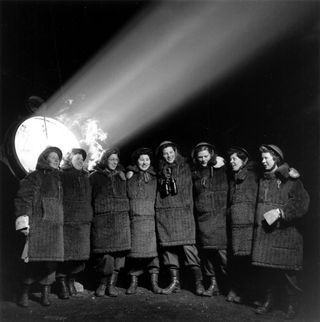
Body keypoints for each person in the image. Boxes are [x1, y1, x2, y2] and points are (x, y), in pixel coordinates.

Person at [252, 144, 309, 319]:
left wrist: (280, 212)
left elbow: (302, 203)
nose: (263, 161)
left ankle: (293, 305)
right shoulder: (263, 179)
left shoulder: (291, 179)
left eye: (266, 158)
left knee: (288, 274)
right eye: (261, 158)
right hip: (267, 233)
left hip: (286, 234)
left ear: (275, 158)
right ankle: (270, 301)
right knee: (268, 270)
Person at [15, 146, 64, 307]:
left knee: (51, 263)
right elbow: (23, 199)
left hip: (56, 226)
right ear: (45, 159)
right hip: (38, 223)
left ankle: (45, 294)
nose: (56, 160)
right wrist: (23, 221)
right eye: (52, 157)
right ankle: (24, 292)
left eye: (58, 157)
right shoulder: (33, 177)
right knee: (32, 261)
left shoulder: (61, 178)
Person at [155, 141, 204, 296]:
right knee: (169, 250)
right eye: (165, 153)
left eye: (171, 152)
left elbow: (204, 164)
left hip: (184, 214)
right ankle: (175, 282)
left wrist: (217, 162)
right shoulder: (159, 170)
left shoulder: (188, 165)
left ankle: (198, 283)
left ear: (176, 151)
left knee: (189, 250)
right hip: (166, 214)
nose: (168, 155)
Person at [89, 148, 131, 297]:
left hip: (121, 218)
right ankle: (102, 283)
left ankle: (112, 285)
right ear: (104, 160)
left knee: (119, 255)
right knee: (105, 255)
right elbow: (89, 199)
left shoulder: (122, 176)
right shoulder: (94, 177)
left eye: (116, 159)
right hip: (103, 219)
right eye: (111, 159)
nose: (114, 162)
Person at [191, 142, 229, 297]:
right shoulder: (195, 172)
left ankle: (231, 285)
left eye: (206, 156)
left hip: (220, 217)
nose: (203, 160)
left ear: (212, 154)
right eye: (200, 157)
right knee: (207, 253)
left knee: (222, 254)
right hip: (203, 219)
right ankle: (213, 285)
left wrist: (223, 162)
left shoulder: (223, 167)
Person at [56, 148, 93, 299]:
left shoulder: (86, 177)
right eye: (76, 158)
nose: (79, 161)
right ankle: (63, 283)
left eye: (81, 159)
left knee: (80, 256)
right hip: (68, 221)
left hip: (83, 221)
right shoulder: (62, 175)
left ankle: (72, 280)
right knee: (66, 255)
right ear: (70, 160)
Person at [125, 147, 162, 295]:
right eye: (141, 160)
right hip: (135, 219)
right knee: (135, 253)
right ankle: (133, 282)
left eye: (147, 159)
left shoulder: (155, 177)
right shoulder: (129, 176)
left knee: (152, 253)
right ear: (136, 161)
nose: (144, 162)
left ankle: (154, 283)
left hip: (151, 219)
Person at [226, 146, 259, 303]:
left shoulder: (253, 176)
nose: (231, 162)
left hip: (248, 224)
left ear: (244, 160)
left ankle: (248, 292)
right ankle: (237, 288)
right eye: (230, 159)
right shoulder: (234, 176)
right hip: (236, 224)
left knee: (247, 260)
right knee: (237, 260)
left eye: (235, 159)